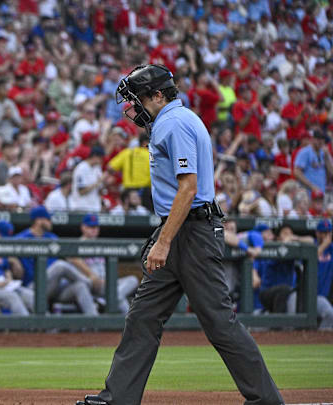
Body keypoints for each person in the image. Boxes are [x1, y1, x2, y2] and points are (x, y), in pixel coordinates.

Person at [79, 64, 283, 405]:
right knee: (143, 316)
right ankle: (119, 398)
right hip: (184, 230)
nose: (133, 107)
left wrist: (164, 240)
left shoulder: (173, 123)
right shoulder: (175, 119)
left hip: (191, 232)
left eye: (138, 98)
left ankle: (267, 400)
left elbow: (188, 189)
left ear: (158, 95)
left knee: (219, 322)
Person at [13, 206, 98, 315]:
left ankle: (94, 322)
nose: (51, 222)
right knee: (60, 266)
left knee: (80, 286)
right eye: (48, 219)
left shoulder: (52, 237)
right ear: (39, 221)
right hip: (33, 288)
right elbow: (2, 248)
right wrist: (13, 259)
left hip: (53, 286)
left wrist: (89, 273)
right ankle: (91, 284)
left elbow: (70, 255)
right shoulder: (22, 238)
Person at [75, 214, 138, 313]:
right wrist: (92, 276)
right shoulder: (76, 244)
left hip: (109, 283)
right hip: (94, 284)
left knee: (132, 280)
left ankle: (107, 300)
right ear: (83, 227)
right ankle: (131, 324)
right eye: (91, 227)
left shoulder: (101, 244)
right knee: (118, 296)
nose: (94, 229)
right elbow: (71, 259)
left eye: (96, 227)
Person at [294, 130, 332, 195]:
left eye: (322, 139)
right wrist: (311, 186)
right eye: (318, 139)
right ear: (313, 139)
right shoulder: (305, 152)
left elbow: (331, 172)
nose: (320, 141)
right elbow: (297, 172)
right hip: (307, 191)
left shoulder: (324, 152)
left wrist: (326, 157)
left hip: (321, 190)